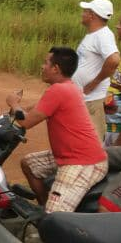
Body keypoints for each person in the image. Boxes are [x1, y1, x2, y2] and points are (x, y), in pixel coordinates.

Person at [11, 47, 109, 212]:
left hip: (82, 162)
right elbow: (32, 110)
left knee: (54, 215)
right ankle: (42, 206)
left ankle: (48, 219)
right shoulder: (68, 87)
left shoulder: (59, 90)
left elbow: (25, 122)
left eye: (45, 63)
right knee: (29, 164)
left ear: (55, 68)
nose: (43, 67)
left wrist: (13, 103)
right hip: (70, 155)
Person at [73, 0, 119, 142]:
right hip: (85, 99)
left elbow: (114, 60)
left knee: (92, 143)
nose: (82, 14)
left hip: (92, 100)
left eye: (85, 11)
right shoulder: (95, 35)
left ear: (92, 15)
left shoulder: (103, 35)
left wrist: (94, 83)